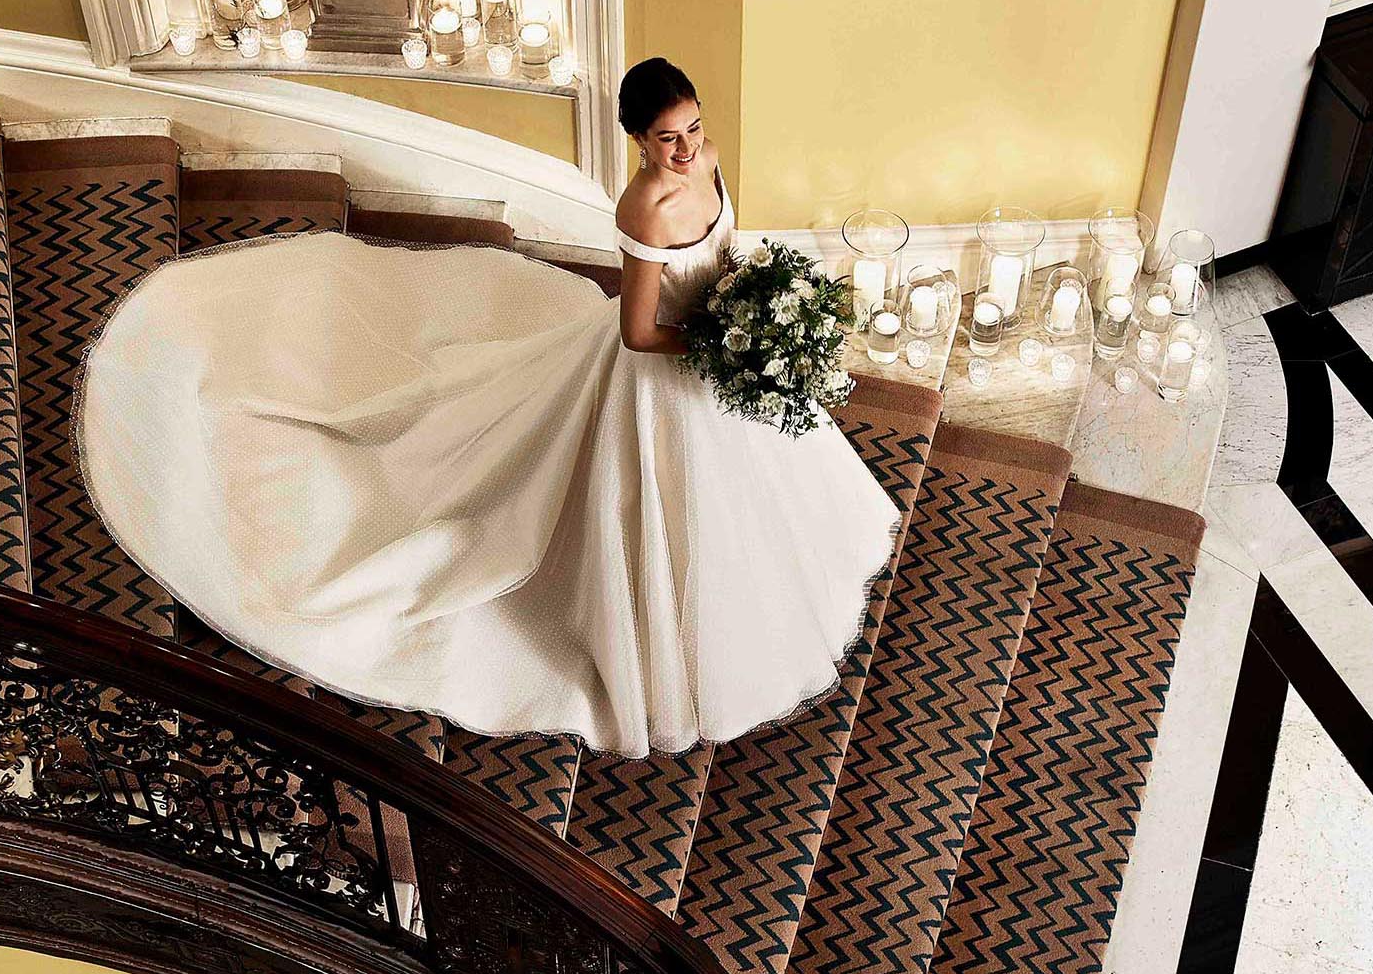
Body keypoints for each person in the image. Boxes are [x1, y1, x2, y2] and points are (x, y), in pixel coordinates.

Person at [81, 58, 897, 758]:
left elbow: (724, 248)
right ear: (637, 142)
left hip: (722, 348)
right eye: (665, 139)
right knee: (646, 513)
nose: (684, 150)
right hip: (664, 373)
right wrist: (729, 348)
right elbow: (641, 331)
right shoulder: (642, 209)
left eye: (691, 129)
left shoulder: (710, 160)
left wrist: (758, 306)